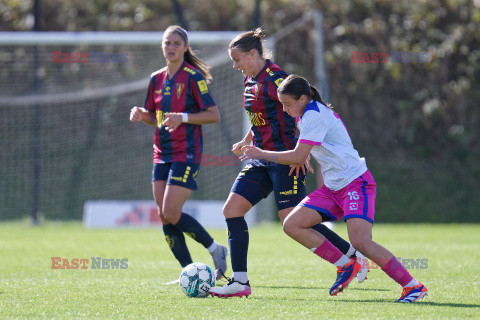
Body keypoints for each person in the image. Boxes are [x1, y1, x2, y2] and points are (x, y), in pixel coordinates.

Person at [240, 74, 428, 303]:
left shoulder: (314, 115)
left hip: (355, 184)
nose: (285, 110)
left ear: (302, 98)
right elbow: (308, 150)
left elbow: (299, 153)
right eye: (282, 105)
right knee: (292, 224)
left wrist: (263, 153)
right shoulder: (304, 115)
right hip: (333, 188)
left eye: (287, 104)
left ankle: (413, 286)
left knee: (361, 242)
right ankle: (345, 264)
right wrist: (303, 157)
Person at [209, 28, 368, 298]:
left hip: (285, 160)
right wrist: (247, 139)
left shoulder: (276, 79)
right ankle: (240, 282)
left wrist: (302, 152)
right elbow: (261, 117)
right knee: (232, 210)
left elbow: (300, 113)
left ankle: (352, 257)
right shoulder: (249, 81)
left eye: (237, 60)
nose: (235, 66)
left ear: (252, 53)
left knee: (294, 222)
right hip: (260, 159)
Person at [129, 25, 228, 282]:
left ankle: (216, 249)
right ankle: (189, 272)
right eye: (166, 43)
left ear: (185, 47)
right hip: (161, 152)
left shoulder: (193, 77)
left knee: (172, 212)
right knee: (164, 215)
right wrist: (142, 114)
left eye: (175, 43)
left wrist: (182, 117)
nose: (170, 47)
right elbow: (155, 117)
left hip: (186, 152)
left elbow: (213, 115)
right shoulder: (156, 78)